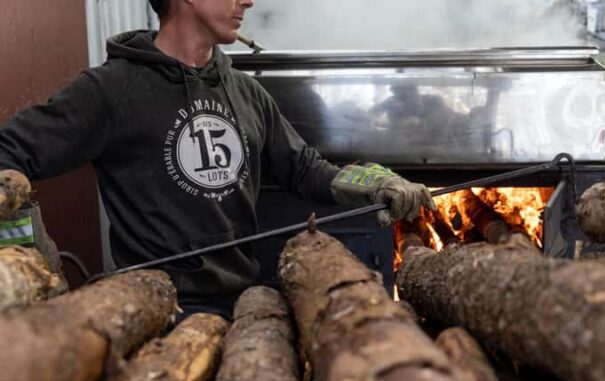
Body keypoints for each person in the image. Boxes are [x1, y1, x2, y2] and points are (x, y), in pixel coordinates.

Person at [0, 0, 435, 319]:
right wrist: (30, 252)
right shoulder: (110, 91)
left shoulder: (246, 92)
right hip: (156, 308)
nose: (248, 0)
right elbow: (9, 152)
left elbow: (303, 167)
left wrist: (376, 184)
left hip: (247, 300)